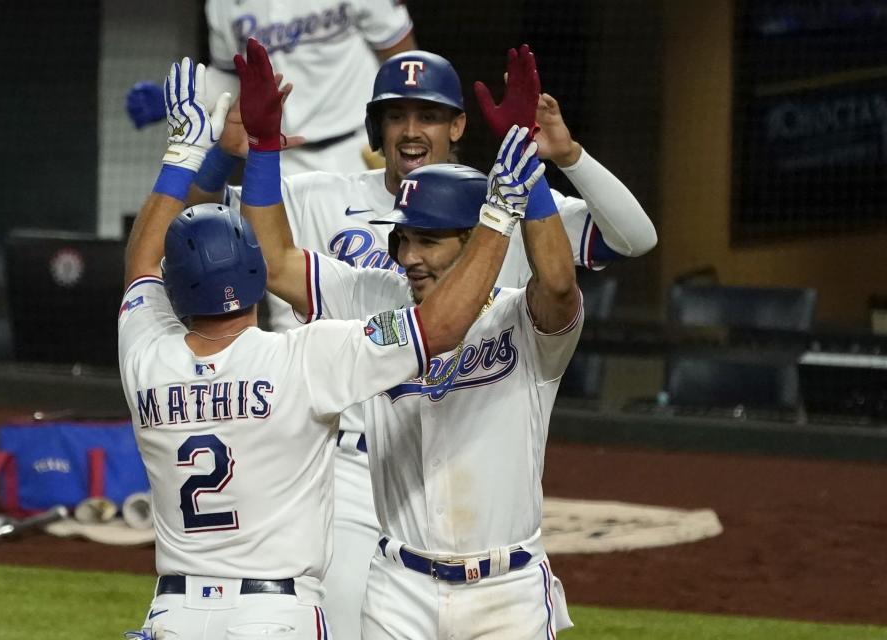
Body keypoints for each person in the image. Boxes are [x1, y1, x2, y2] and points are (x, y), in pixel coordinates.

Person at [194, 42, 657, 640]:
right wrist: (256, 149)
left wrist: (542, 162)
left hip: (503, 571)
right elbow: (267, 255)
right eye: (401, 240)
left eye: (428, 242)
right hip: (374, 506)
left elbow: (580, 274)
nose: (409, 257)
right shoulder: (370, 290)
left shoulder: (519, 307)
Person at [118, 54, 545, 639]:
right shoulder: (303, 360)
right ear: (252, 276)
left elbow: (141, 264)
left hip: (175, 612)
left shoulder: (144, 354)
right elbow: (439, 328)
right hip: (274, 616)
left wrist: (188, 154)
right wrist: (502, 211)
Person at [127, 0, 416, 176]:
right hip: (280, 160)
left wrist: (401, 139)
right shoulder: (223, 4)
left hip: (362, 149)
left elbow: (403, 60)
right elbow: (232, 77)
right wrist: (182, 96)